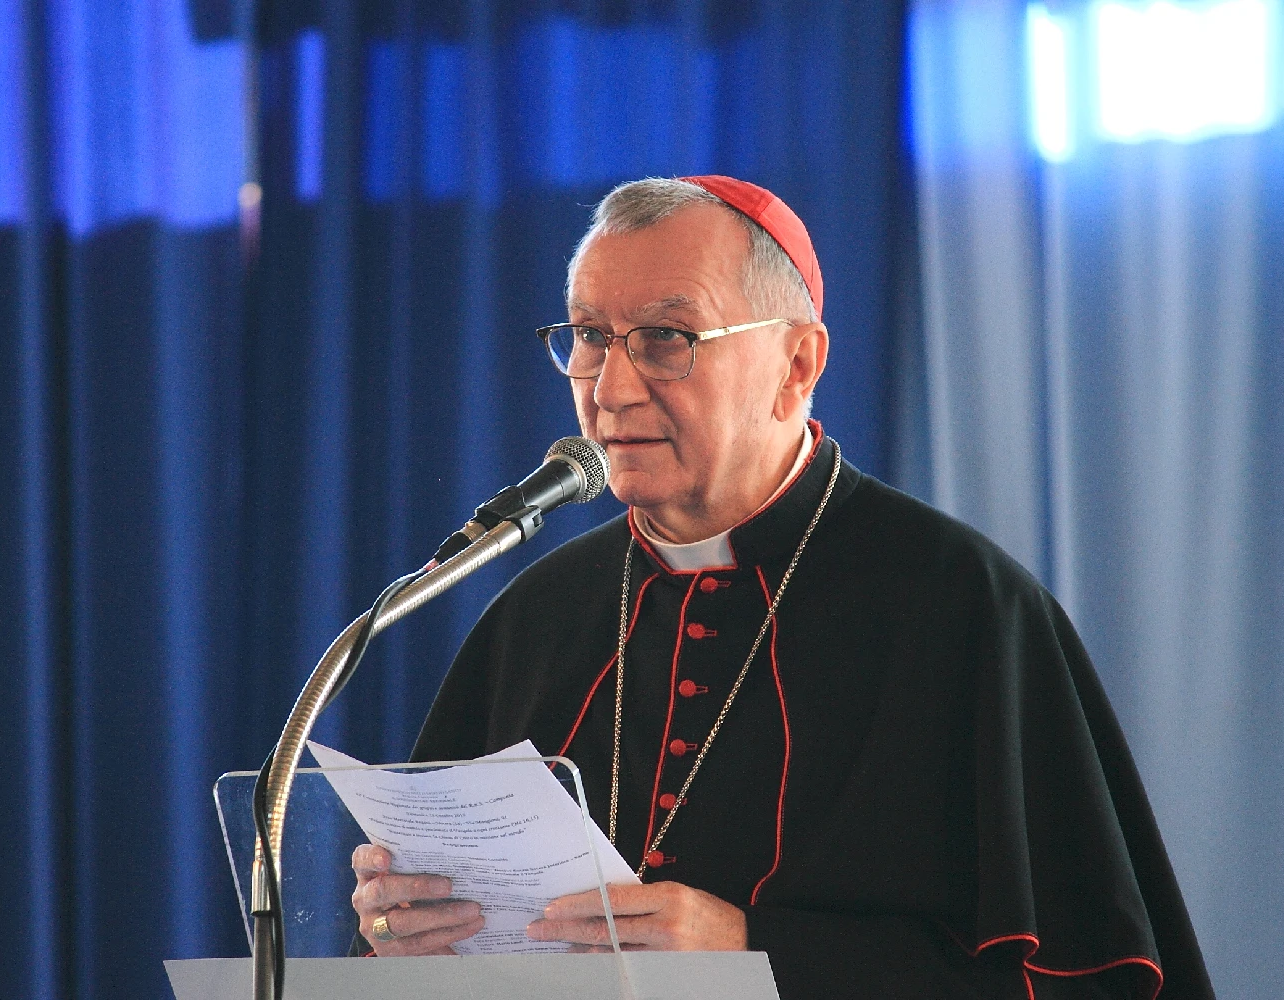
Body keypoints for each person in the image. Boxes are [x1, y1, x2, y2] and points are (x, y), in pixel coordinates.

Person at [346, 175, 1215, 1000]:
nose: (609, 388)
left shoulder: (960, 606)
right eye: (588, 336)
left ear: (796, 365)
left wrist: (753, 955)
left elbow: (1084, 978)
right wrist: (403, 937)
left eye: (665, 338)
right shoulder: (537, 616)